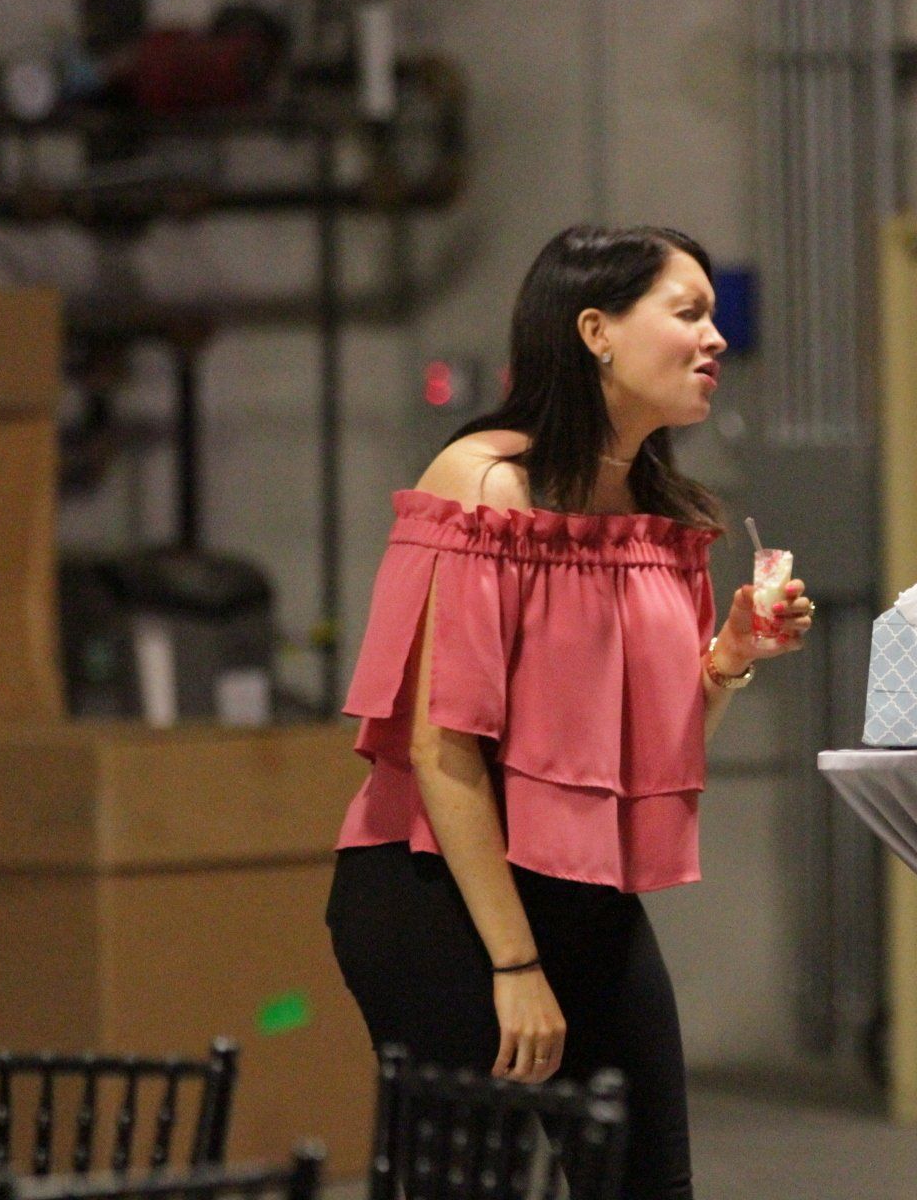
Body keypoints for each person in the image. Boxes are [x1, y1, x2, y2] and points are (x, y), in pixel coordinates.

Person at [325, 225, 812, 1200]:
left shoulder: (657, 507)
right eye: (688, 313)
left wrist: (724, 662)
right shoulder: (485, 481)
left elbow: (640, 753)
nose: (717, 337)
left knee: (647, 1176)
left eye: (713, 315)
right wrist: (514, 962)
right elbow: (441, 743)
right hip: (441, 893)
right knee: (468, 1182)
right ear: (595, 329)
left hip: (582, 889)